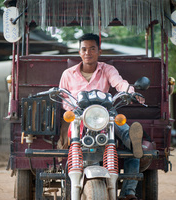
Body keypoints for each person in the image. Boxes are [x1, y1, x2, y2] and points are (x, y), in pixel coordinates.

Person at [58, 33, 144, 200]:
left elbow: (120, 84)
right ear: (79, 52)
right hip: (79, 114)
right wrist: (68, 124)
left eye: (92, 49)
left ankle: (128, 190)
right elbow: (65, 101)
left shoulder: (107, 69)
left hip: (105, 112)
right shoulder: (68, 74)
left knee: (130, 142)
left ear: (99, 51)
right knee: (73, 135)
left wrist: (132, 93)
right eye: (84, 49)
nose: (88, 52)